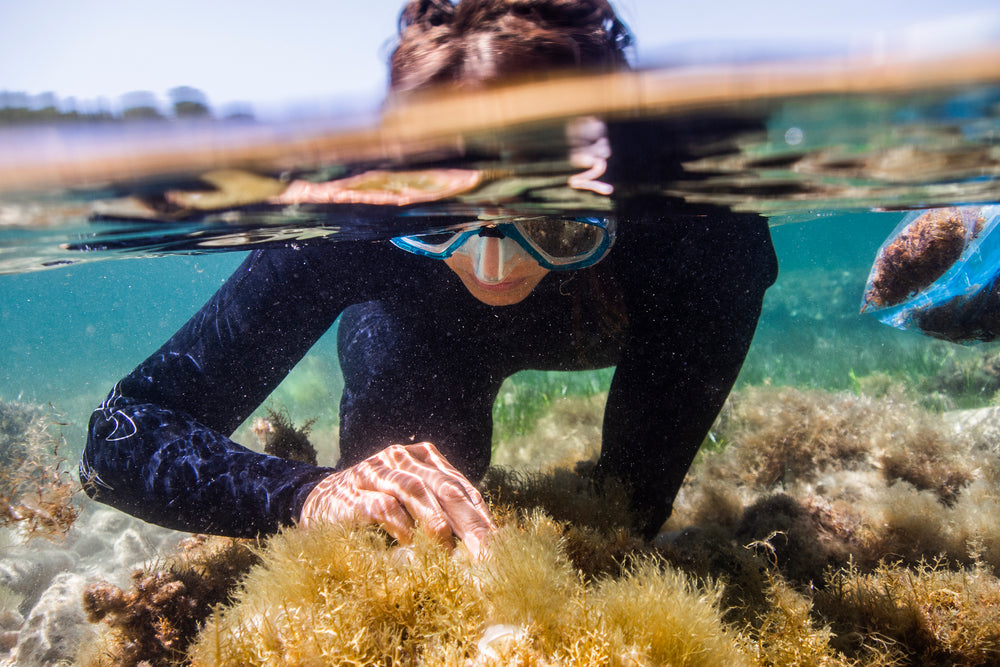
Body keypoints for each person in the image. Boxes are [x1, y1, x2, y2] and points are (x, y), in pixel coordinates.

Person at [80, 0, 777, 556]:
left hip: (627, 317)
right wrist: (311, 494)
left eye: (554, 225)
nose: (495, 265)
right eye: (445, 221)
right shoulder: (356, 214)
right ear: (402, 181)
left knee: (629, 522)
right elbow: (120, 438)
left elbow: (634, 510)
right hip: (422, 343)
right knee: (401, 537)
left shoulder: (703, 230)